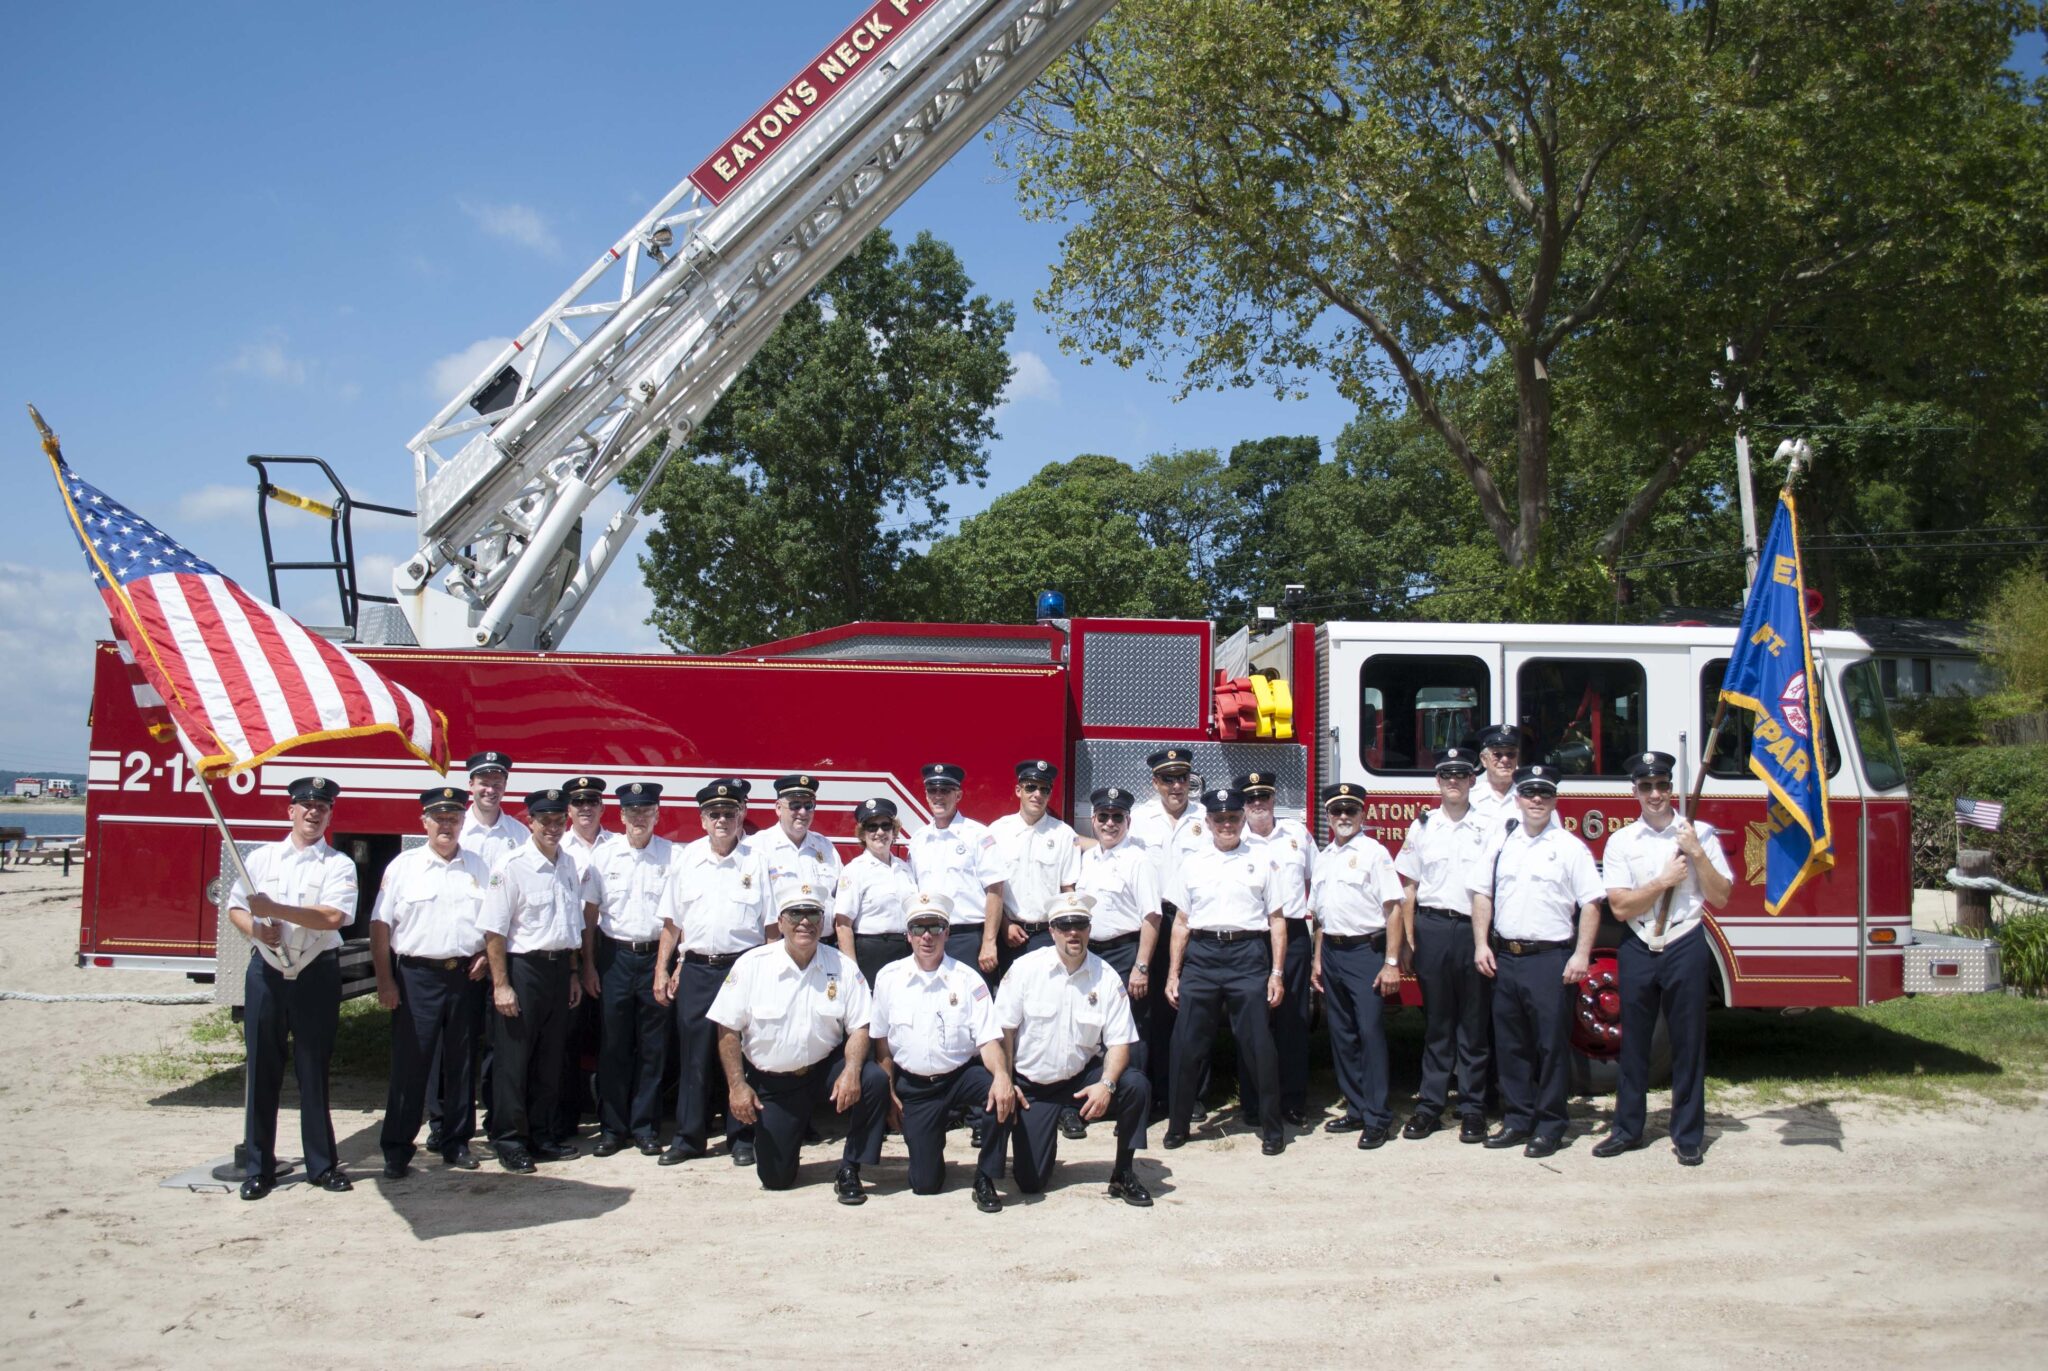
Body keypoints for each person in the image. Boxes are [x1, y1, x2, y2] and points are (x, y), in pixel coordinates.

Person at [708, 885, 891, 1203]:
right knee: (776, 1179)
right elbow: (727, 1029)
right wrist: (737, 1086)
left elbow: (861, 1025)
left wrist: (851, 1069)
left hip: (824, 1070)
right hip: (775, 1083)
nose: (804, 922)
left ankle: (850, 1168)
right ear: (780, 922)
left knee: (872, 1079)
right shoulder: (753, 965)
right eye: (795, 914)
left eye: (813, 914)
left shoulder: (842, 966)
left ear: (823, 921)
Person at [1594, 750, 1733, 1167]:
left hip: (1686, 940)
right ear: (1634, 791)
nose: (1655, 794)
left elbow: (1721, 896)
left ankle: (1688, 1135)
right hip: (1639, 943)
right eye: (1646, 786)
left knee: (1688, 1042)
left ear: (1671, 788)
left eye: (1661, 785)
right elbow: (1620, 907)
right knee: (1633, 1041)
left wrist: (1696, 855)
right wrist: (1663, 882)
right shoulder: (1621, 841)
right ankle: (1627, 1130)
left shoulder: (1699, 834)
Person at [228, 776, 358, 1200]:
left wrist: (275, 910)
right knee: (262, 1069)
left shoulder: (338, 864)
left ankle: (322, 1166)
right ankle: (258, 1168)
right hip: (266, 975)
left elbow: (333, 918)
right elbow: (234, 907)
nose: (313, 812)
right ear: (291, 811)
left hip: (314, 973)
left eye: (322, 806)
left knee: (313, 1071)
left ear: (330, 814)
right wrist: (256, 930)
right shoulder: (261, 859)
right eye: (306, 805)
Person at [1470, 764, 1603, 1158]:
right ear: (1518, 798)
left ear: (1555, 800)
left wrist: (1582, 954)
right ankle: (1516, 1119)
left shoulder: (1569, 847)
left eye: (1545, 793)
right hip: (1506, 957)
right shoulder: (1502, 843)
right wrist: (1481, 944)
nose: (1537, 800)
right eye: (1530, 793)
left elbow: (1592, 903)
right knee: (1510, 1046)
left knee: (1550, 1047)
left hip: (1550, 959)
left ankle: (1550, 1124)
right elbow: (1481, 893)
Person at [994, 893, 1153, 1206]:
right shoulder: (1026, 969)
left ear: (1089, 929)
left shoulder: (1106, 976)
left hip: (1080, 1078)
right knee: (1030, 1183)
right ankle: (1041, 1145)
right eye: (1064, 925)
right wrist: (1006, 1078)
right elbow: (1004, 1032)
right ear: (1052, 930)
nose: (1073, 932)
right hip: (1032, 1085)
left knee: (1135, 1084)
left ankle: (1123, 1173)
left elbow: (1120, 1042)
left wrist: (1106, 1086)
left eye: (1079, 924)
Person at [371, 784, 492, 1178]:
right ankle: (397, 1147)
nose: (447, 824)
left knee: (462, 1064)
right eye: (439, 817)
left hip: (465, 976)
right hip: (416, 977)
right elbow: (380, 926)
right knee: (412, 1064)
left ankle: (456, 1142)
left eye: (454, 818)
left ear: (462, 822)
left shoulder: (478, 866)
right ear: (424, 822)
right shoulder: (403, 867)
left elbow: (493, 924)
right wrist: (386, 981)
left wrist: (485, 959)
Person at [655, 778, 776, 1166]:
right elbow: (672, 923)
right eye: (714, 814)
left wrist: (772, 974)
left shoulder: (756, 862)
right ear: (703, 819)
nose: (722, 820)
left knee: (742, 1054)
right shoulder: (686, 859)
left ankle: (741, 1136)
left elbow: (772, 925)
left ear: (741, 816)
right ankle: (689, 1137)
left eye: (730, 813)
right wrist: (663, 969)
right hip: (697, 969)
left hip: (743, 968)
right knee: (694, 1055)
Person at [478, 788, 597, 1173]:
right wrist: (501, 984)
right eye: (544, 820)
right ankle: (510, 1139)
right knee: (513, 1062)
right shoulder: (511, 865)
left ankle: (542, 1134)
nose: (552, 826)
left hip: (560, 968)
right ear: (530, 821)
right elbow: (494, 931)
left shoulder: (568, 863)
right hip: (523, 970)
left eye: (558, 819)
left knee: (551, 1059)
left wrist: (575, 973)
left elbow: (572, 925)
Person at [870, 892, 1012, 1213]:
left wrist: (1002, 1076)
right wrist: (888, 1091)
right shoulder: (889, 979)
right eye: (918, 928)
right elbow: (882, 1044)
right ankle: (931, 1148)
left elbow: (989, 1040)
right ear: (907, 935)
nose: (927, 936)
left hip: (960, 1076)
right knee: (925, 1185)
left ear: (948, 932)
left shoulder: (968, 979)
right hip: (917, 1087)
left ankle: (986, 1176)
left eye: (935, 928)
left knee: (1001, 1092)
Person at [1164, 787, 1287, 1155]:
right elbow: (1181, 923)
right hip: (1202, 956)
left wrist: (1276, 972)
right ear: (1208, 822)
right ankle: (1179, 1124)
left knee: (1257, 1045)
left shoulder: (1263, 859)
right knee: (1186, 1044)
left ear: (1242, 818)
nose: (1227, 824)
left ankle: (1272, 1127)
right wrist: (1174, 973)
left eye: (1233, 817)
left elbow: (1277, 920)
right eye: (1219, 819)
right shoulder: (1193, 862)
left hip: (1248, 955)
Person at [1393, 746, 1496, 1143]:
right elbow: (1409, 887)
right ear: (1437, 781)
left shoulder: (1489, 828)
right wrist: (1408, 941)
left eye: (1461, 775)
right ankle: (1430, 1106)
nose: (1453, 781)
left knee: (1473, 1024)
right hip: (1432, 928)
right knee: (1437, 1023)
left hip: (1474, 928)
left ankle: (1472, 1109)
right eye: (1445, 775)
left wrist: (1485, 940)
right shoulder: (1422, 826)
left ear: (1473, 780)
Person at [429, 748, 528, 1154]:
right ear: (470, 784)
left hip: (498, 955)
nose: (490, 787)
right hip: (462, 957)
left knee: (497, 1042)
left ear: (505, 785)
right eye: (483, 781)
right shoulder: (452, 826)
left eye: (498, 780)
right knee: (449, 1046)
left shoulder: (518, 835)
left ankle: (491, 1114)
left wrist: (492, 955)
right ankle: (442, 1124)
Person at [1307, 781, 1404, 1148]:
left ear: (1362, 814)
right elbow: (1320, 914)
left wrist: (1391, 962)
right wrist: (1318, 959)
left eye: (1350, 810)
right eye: (1336, 811)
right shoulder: (1325, 855)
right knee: (1342, 1035)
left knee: (1370, 1034)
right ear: (1329, 817)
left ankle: (1379, 1117)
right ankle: (1357, 1107)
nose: (1343, 817)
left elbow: (1393, 909)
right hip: (1331, 951)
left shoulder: (1374, 853)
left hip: (1365, 952)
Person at [587, 781, 677, 1158]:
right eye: (632, 812)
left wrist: (668, 966)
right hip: (614, 958)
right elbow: (590, 917)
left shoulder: (674, 856)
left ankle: (645, 1127)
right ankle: (612, 1128)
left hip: (656, 957)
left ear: (657, 814)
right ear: (620, 815)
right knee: (613, 1047)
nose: (639, 817)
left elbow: (678, 918)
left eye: (646, 811)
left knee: (653, 1050)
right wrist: (588, 967)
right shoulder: (603, 857)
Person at [1128, 747, 1206, 1119]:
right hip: (1153, 922)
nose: (1177, 786)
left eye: (1183, 778)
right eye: (1168, 779)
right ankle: (1155, 1094)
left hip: (1192, 923)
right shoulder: (1139, 820)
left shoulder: (1205, 817)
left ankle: (1193, 1096)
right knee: (1150, 1013)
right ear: (1154, 782)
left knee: (1192, 1011)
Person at [1239, 770, 1314, 1126]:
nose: (1258, 804)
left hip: (1295, 935)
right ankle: (1253, 1101)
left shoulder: (1297, 834)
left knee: (1293, 1021)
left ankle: (1293, 1099)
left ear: (1273, 799)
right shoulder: (1234, 840)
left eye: (1264, 797)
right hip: (1253, 938)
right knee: (1254, 1023)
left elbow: (1315, 879)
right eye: (1251, 798)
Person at [1074, 784, 1163, 1078]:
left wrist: (1141, 966)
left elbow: (1152, 918)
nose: (1109, 823)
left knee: (1131, 1028)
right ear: (1093, 819)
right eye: (1103, 816)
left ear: (1128, 821)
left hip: (1126, 954)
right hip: (1092, 956)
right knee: (1094, 1025)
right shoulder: (1088, 859)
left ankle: (1133, 1098)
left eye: (1117, 817)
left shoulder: (1139, 862)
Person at [555, 775, 615, 1141]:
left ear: (603, 807)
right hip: (569, 951)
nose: (586, 809)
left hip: (609, 949)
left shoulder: (618, 845)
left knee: (611, 1037)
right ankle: (566, 1117)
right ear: (569, 810)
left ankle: (611, 1117)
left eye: (592, 801)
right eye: (579, 803)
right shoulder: (556, 847)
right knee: (566, 1039)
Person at [907, 763, 1005, 981]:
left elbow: (996, 890)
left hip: (968, 938)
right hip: (928, 936)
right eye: (933, 790)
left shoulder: (978, 835)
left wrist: (989, 943)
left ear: (958, 795)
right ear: (926, 794)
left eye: (945, 791)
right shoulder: (918, 839)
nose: (938, 796)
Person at [991, 758, 1081, 959]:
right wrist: (1004, 925)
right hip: (1009, 933)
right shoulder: (998, 831)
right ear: (1018, 791)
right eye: (1031, 787)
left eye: (1044, 789)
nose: (1037, 794)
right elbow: (988, 888)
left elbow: (1068, 890)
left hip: (1048, 934)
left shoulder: (1064, 834)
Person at [835, 797, 920, 990]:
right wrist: (853, 972)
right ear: (863, 834)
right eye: (872, 827)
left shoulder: (905, 868)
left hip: (906, 951)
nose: (879, 832)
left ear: (894, 831)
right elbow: (843, 925)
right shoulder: (854, 871)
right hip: (872, 952)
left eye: (886, 826)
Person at [758, 772, 844, 918]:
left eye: (809, 805)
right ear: (778, 808)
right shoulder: (758, 847)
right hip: (780, 939)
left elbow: (842, 896)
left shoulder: (826, 847)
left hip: (824, 938)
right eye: (795, 805)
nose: (803, 812)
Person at [1470, 725, 1522, 833]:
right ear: (1484, 760)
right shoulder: (1470, 799)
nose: (1505, 759)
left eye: (1511, 754)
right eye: (1497, 754)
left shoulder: (1529, 799)